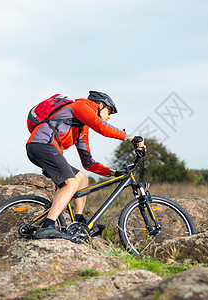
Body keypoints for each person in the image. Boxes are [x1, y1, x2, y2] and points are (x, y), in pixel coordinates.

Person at [26, 91, 146, 240]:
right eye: (109, 112)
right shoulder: (80, 106)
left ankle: (78, 222)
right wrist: (130, 137)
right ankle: (48, 226)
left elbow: (88, 162)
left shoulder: (82, 128)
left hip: (47, 149)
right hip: (42, 145)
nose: (109, 117)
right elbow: (102, 127)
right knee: (71, 184)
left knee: (82, 178)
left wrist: (113, 172)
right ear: (100, 105)